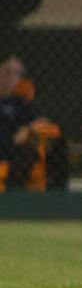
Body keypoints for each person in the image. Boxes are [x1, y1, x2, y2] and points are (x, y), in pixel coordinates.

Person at [0, 54, 40, 191]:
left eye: (17, 73)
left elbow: (34, 123)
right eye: (7, 71)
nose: (11, 77)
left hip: (14, 150)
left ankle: (14, 195)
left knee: (28, 151)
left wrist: (28, 128)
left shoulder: (20, 102)